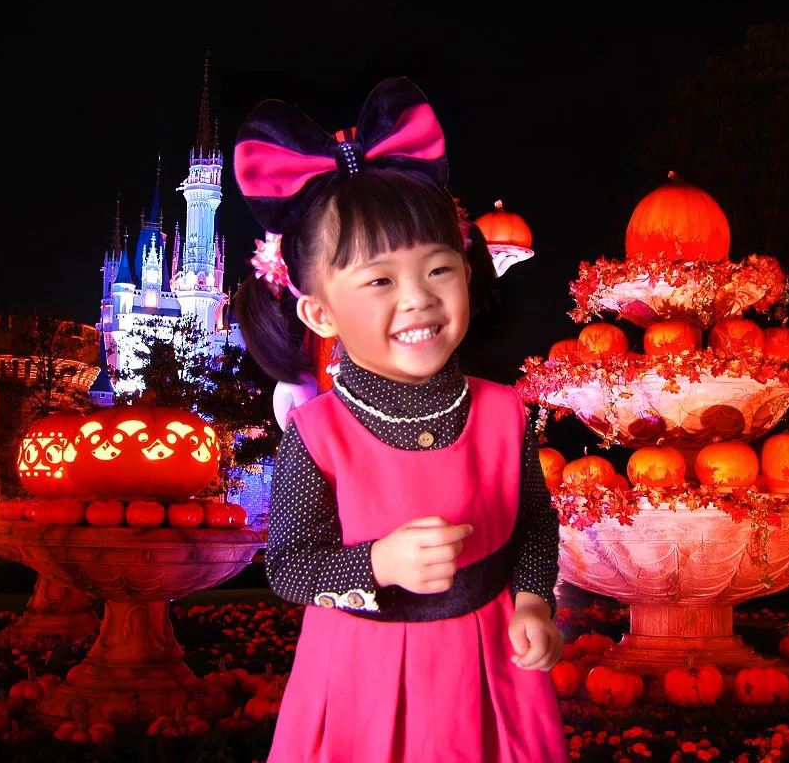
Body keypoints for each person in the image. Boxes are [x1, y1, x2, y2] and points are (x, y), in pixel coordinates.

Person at [233, 76, 568, 763]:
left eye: (438, 270)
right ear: (320, 312)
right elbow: (290, 566)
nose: (417, 299)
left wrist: (534, 602)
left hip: (490, 669)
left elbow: (534, 524)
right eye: (380, 280)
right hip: (362, 675)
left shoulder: (503, 413)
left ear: (467, 273)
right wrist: (378, 563)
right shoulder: (318, 435)